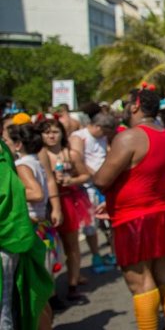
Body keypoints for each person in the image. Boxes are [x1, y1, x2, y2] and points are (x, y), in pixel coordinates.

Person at [93, 86, 165, 330]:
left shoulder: (130, 137)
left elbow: (102, 179)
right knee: (162, 271)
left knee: (139, 279)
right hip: (159, 212)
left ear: (135, 105)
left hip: (134, 219)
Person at [0, 138, 55, 330]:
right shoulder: (9, 154)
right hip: (14, 241)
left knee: (4, 325)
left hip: (8, 242)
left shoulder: (9, 159)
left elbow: (23, 194)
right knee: (10, 317)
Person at [4, 123, 64, 330]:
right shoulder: (35, 161)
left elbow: (36, 193)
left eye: (7, 140)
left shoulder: (21, 166)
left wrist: (13, 193)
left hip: (32, 232)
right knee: (41, 294)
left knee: (35, 299)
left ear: (18, 144)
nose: (4, 144)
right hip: (41, 230)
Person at [39, 118, 92, 303]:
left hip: (69, 202)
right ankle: (51, 292)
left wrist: (72, 181)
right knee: (50, 249)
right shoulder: (39, 155)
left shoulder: (71, 154)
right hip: (46, 206)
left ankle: (73, 285)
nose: (51, 136)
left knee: (72, 246)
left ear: (62, 133)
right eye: (47, 132)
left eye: (55, 131)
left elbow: (85, 174)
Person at [70, 112, 119, 267]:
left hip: (106, 185)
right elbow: (78, 161)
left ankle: (115, 253)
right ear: (97, 126)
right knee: (90, 224)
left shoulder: (104, 137)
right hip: (89, 188)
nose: (105, 135)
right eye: (104, 131)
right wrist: (97, 175)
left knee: (112, 222)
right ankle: (96, 256)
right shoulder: (79, 137)